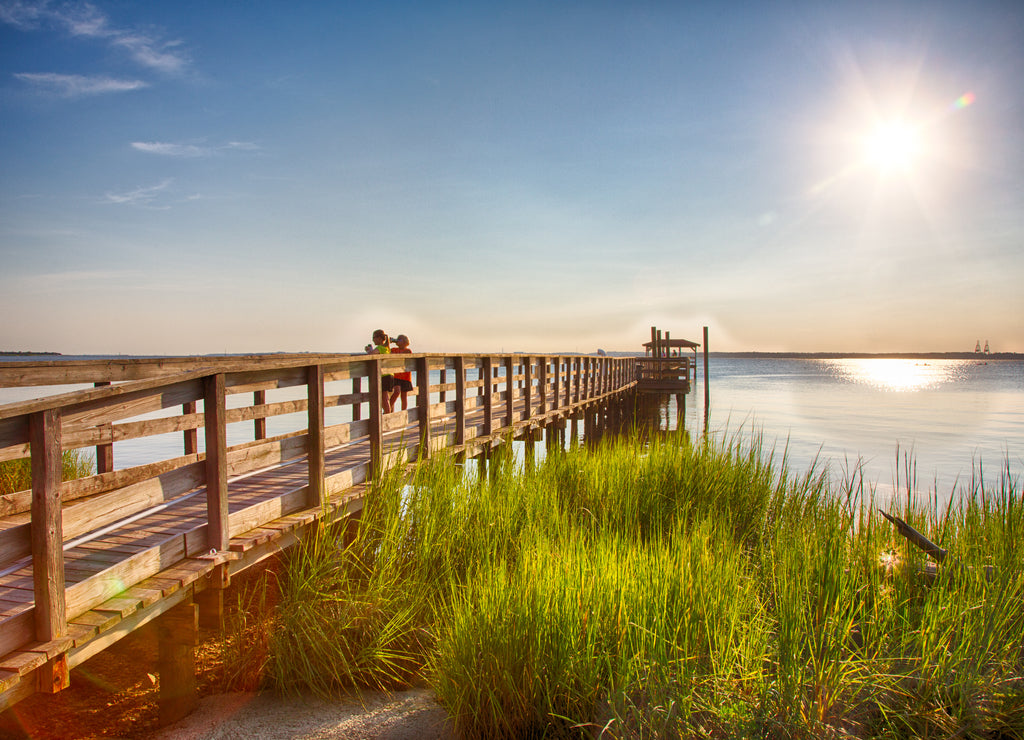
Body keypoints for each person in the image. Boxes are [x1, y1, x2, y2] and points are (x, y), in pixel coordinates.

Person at [364, 329, 394, 413]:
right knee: (386, 397)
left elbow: (371, 354)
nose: (373, 339)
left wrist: (368, 350)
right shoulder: (387, 348)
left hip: (384, 376)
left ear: (379, 338)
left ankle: (387, 414)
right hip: (390, 375)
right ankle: (387, 413)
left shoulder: (380, 348)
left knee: (384, 398)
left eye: (374, 337)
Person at [389, 334, 414, 411]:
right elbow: (388, 353)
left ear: (405, 342)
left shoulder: (408, 351)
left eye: (400, 339)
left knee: (404, 396)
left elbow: (403, 355)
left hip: (405, 376)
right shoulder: (393, 349)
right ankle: (388, 410)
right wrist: (389, 342)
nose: (397, 340)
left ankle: (403, 412)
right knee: (396, 391)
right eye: (397, 339)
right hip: (396, 375)